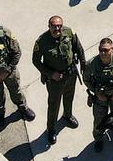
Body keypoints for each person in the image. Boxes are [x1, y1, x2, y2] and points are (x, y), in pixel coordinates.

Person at [31, 15, 85, 145]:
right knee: (54, 104)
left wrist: (83, 63)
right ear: (49, 26)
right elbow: (36, 61)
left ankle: (67, 115)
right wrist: (51, 74)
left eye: (59, 25)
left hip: (70, 74)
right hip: (55, 80)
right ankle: (51, 129)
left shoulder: (69, 32)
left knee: (69, 96)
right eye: (54, 26)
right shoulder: (42, 41)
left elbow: (78, 47)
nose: (57, 28)